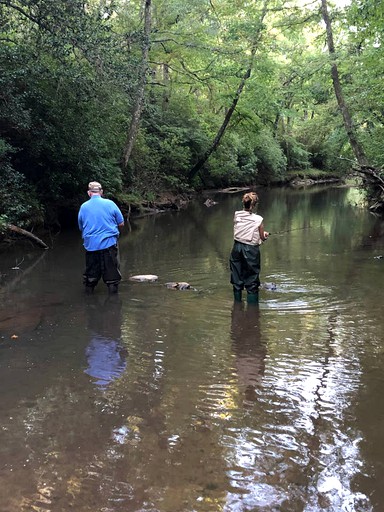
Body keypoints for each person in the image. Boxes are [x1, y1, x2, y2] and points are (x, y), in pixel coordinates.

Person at [78, 181, 124, 294]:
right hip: (109, 244)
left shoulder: (83, 207)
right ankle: (113, 305)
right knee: (112, 277)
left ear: (89, 193)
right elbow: (121, 223)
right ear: (101, 192)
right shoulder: (110, 204)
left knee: (90, 278)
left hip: (91, 246)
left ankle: (89, 301)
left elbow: (81, 227)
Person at [229, 191, 269, 303]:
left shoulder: (237, 214)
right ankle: (253, 311)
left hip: (236, 248)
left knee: (236, 278)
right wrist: (265, 235)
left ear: (244, 202)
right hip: (251, 250)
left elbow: (242, 228)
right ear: (254, 204)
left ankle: (237, 307)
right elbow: (262, 237)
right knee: (252, 280)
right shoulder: (259, 219)